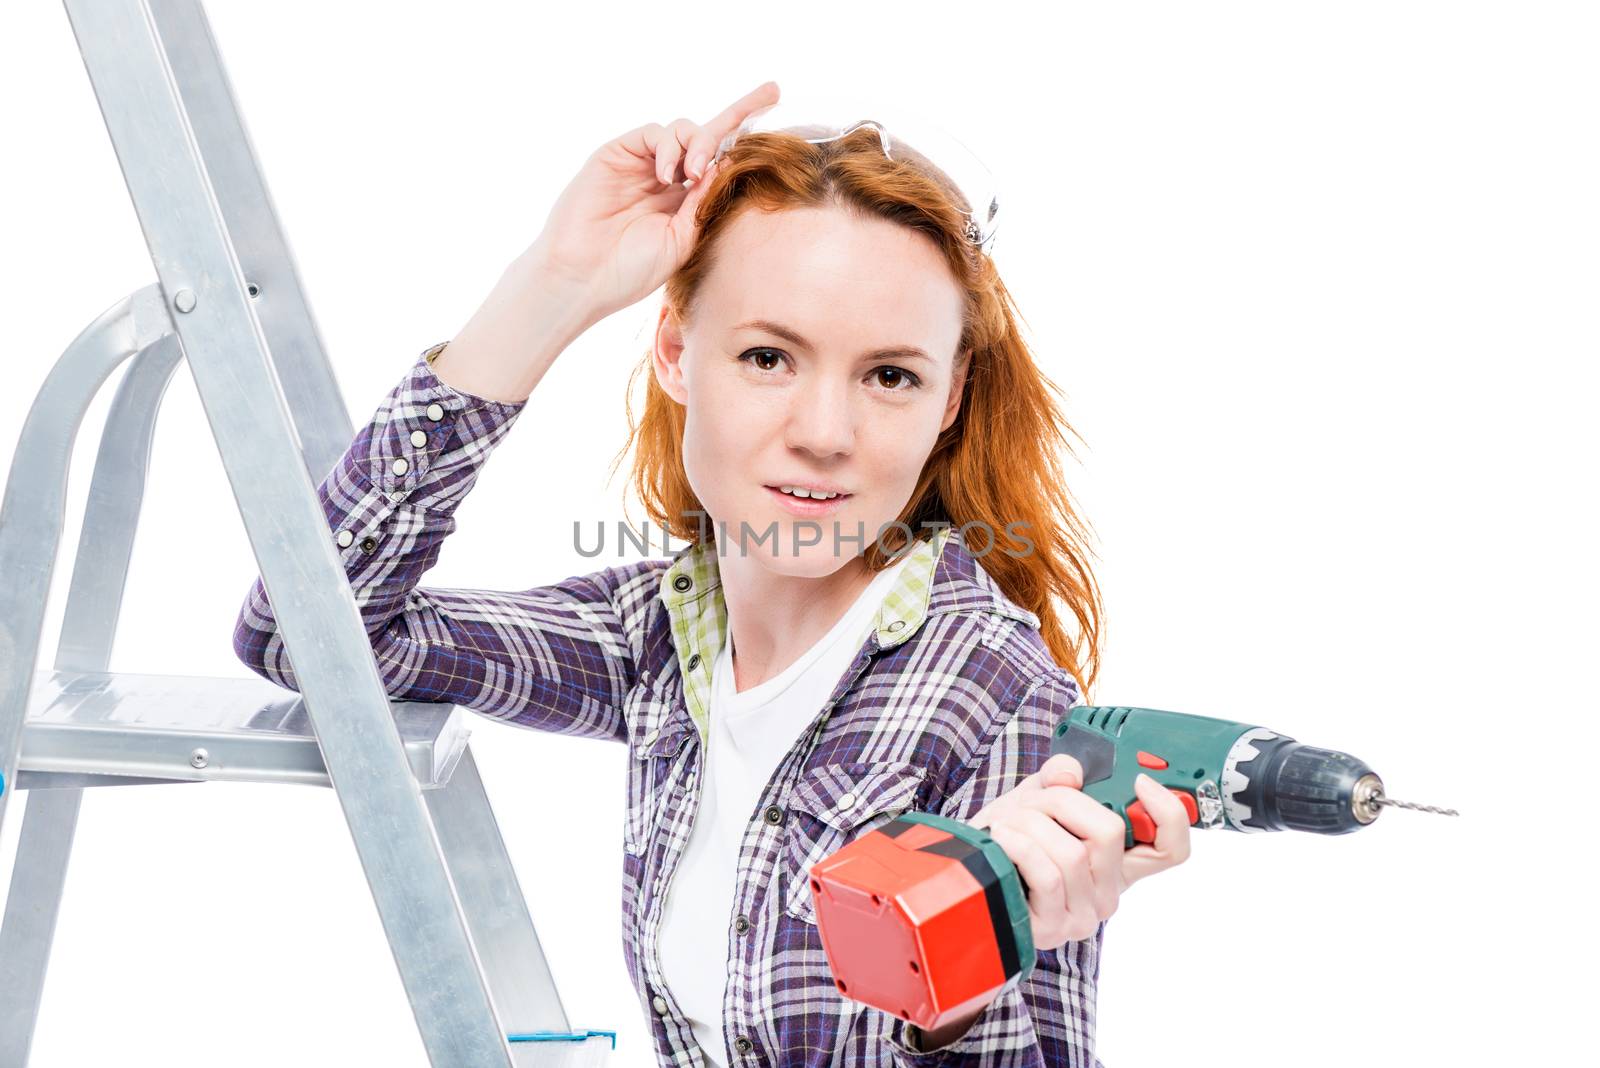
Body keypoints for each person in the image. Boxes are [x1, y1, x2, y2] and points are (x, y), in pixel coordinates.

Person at [233, 80, 1192, 1067]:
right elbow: (311, 631)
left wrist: (959, 986)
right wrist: (553, 287)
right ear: (677, 355)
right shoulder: (658, 635)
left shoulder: (992, 695)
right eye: (769, 356)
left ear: (947, 402)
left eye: (889, 375)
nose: (824, 434)